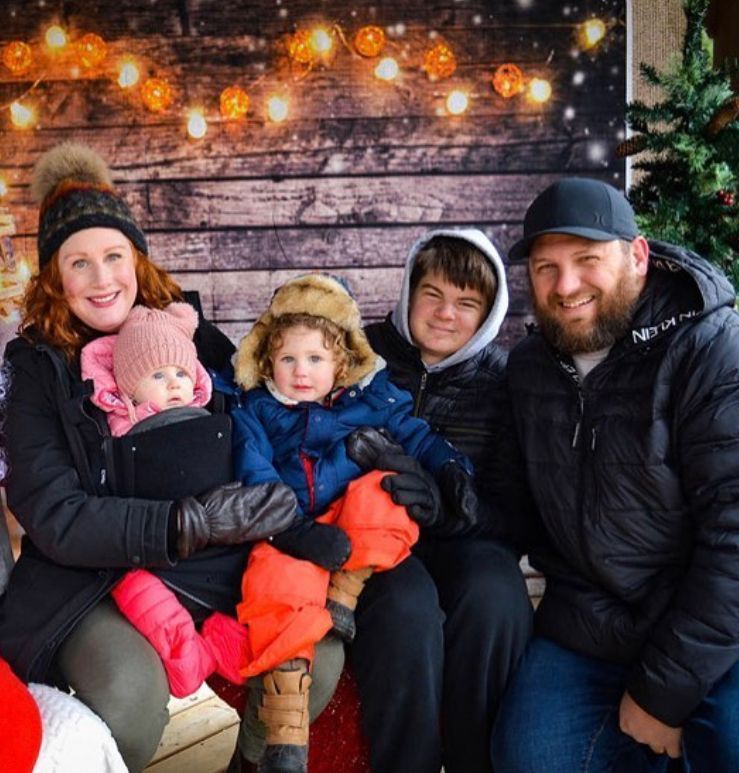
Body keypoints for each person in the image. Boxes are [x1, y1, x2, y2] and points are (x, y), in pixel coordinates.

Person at [490, 177, 739, 772]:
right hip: (599, 618)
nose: (566, 286)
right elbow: (511, 506)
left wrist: (662, 693)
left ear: (638, 256)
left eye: (587, 260)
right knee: (533, 758)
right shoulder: (531, 368)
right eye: (545, 268)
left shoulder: (718, 350)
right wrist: (437, 498)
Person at [0, 142, 302, 772]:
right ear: (54, 277)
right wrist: (179, 523)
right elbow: (52, 511)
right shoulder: (36, 367)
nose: (103, 278)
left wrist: (276, 493)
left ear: (136, 257)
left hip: (217, 564)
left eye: (114, 256)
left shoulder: (188, 332)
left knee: (308, 662)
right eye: (79, 263)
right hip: (95, 578)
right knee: (130, 697)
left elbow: (258, 416)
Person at [222, 272, 478, 772]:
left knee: (387, 488)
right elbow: (254, 471)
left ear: (340, 362)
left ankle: (346, 590)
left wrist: (451, 469)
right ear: (268, 360)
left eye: (315, 359)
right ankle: (286, 732)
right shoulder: (256, 409)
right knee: (274, 584)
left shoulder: (371, 401)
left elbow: (418, 437)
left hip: (353, 529)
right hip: (292, 530)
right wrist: (291, 529)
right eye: (288, 359)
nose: (301, 372)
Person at [347, 230, 535, 773]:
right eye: (432, 294)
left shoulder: (504, 381)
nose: (445, 314)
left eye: (466, 303)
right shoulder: (360, 356)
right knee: (406, 608)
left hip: (467, 539)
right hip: (374, 539)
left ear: (488, 313)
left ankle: (478, 759)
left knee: (496, 595)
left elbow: (515, 512)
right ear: (409, 291)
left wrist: (451, 508)